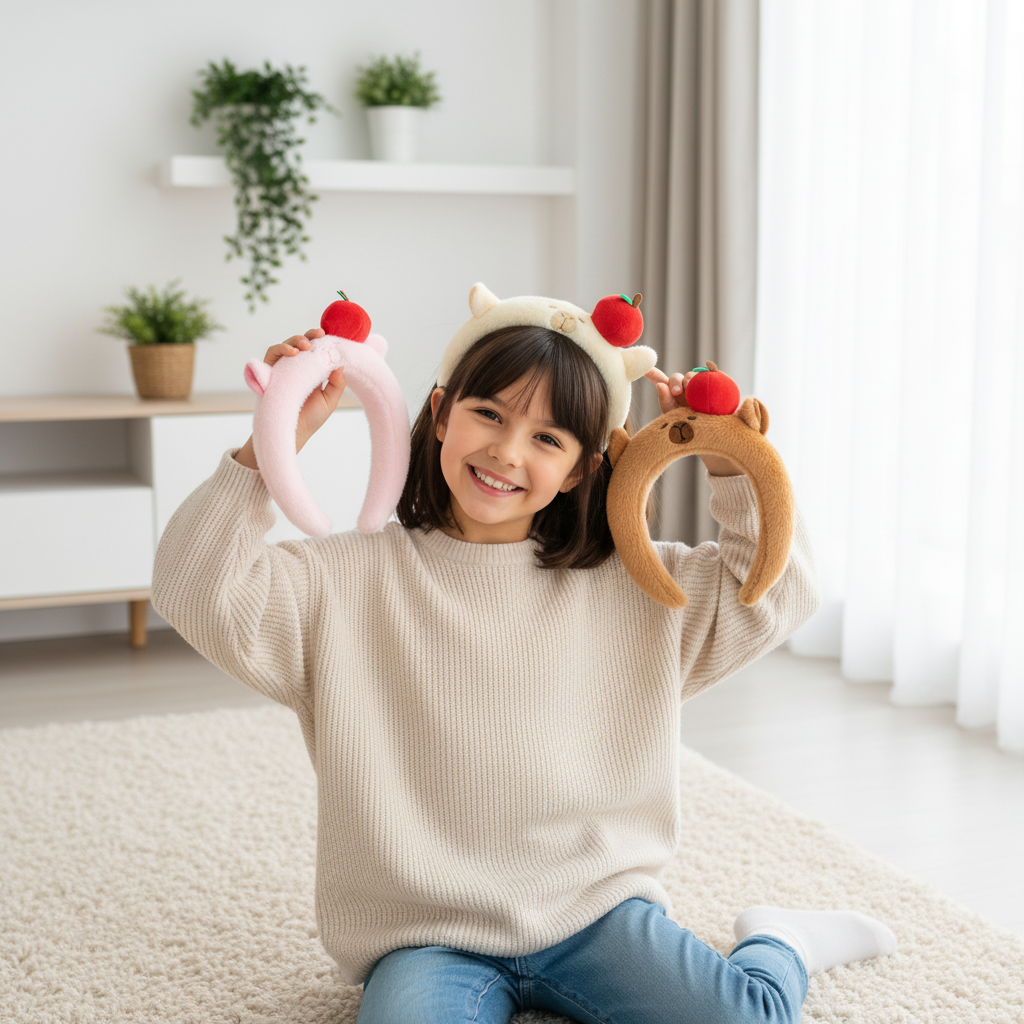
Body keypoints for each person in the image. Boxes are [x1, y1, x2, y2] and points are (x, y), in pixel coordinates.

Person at [151, 290, 896, 1024]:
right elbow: (193, 584)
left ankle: (780, 939)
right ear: (441, 412)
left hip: (593, 911)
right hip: (427, 935)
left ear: (579, 468)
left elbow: (779, 588)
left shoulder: (638, 585)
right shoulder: (343, 580)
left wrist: (736, 466)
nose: (506, 453)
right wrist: (272, 439)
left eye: (548, 439)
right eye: (489, 414)